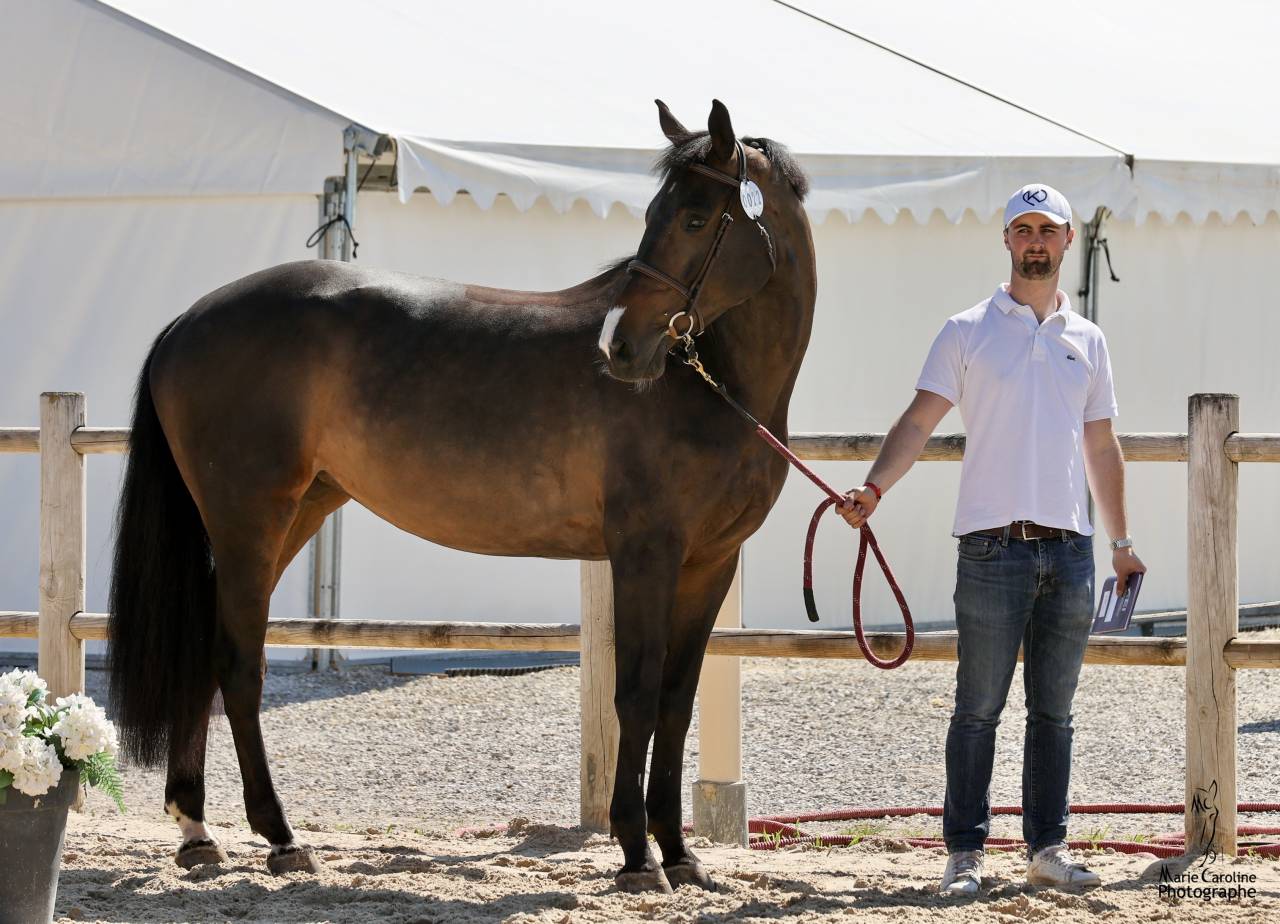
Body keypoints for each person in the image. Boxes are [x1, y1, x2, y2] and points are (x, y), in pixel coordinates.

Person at [838, 183, 1147, 895]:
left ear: (1069, 240)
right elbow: (917, 421)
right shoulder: (967, 329)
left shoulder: (1089, 340)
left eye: (1049, 229)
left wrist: (1120, 540)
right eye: (1024, 228)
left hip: (1070, 550)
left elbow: (1102, 446)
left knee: (1055, 714)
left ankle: (1046, 849)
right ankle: (965, 856)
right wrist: (875, 488)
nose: (1036, 241)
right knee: (977, 709)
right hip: (990, 548)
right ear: (1006, 240)